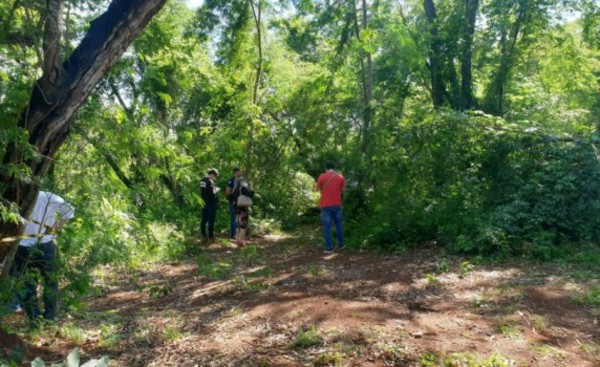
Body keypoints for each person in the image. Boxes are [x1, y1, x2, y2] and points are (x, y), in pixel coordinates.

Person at [11, 191, 74, 326]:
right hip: (44, 245)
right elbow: (69, 210)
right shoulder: (48, 197)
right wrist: (56, 228)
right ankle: (48, 319)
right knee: (49, 282)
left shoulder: (16, 194)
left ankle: (35, 320)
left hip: (23, 246)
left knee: (28, 284)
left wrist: (54, 228)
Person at [316, 162, 345, 253]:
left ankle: (329, 248)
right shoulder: (341, 177)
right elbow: (342, 190)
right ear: (334, 168)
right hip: (337, 204)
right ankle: (341, 244)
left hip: (326, 205)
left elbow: (317, 189)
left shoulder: (322, 176)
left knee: (327, 227)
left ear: (326, 168)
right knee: (338, 225)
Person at [232, 176, 254, 247]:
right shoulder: (243, 188)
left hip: (236, 209)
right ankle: (241, 242)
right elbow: (251, 194)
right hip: (243, 210)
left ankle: (237, 240)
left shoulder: (235, 189)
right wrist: (252, 187)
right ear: (242, 182)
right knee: (243, 226)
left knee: (237, 225)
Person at [200, 168, 219, 242]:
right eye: (215, 176)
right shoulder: (210, 181)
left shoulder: (202, 180)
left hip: (203, 203)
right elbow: (211, 193)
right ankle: (211, 237)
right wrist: (215, 190)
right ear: (212, 174)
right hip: (211, 203)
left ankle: (203, 235)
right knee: (211, 220)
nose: (215, 178)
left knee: (204, 220)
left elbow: (203, 191)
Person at [225, 167, 242, 240]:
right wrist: (235, 193)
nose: (241, 173)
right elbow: (227, 192)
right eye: (240, 172)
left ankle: (237, 234)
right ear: (236, 172)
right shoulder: (232, 180)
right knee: (233, 218)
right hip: (232, 202)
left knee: (238, 218)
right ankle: (233, 235)